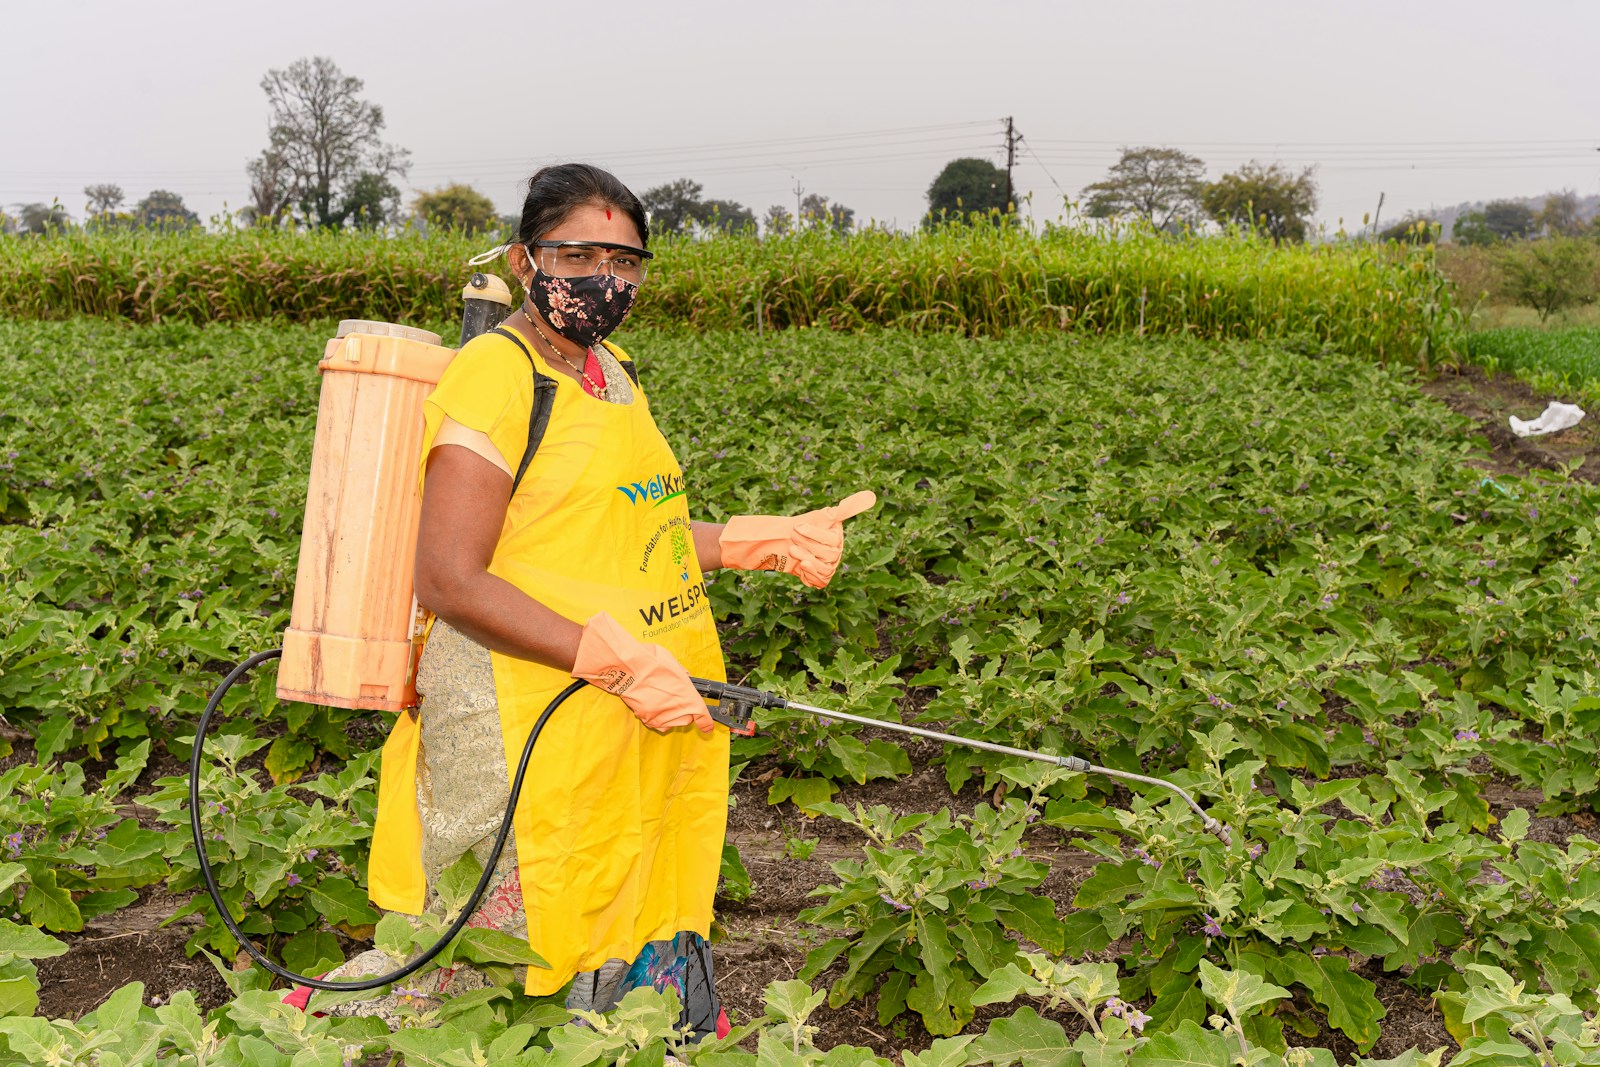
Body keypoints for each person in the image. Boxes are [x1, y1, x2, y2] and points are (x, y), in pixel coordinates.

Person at [314, 163, 873, 1034]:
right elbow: (451, 577)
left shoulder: (612, 371)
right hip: (520, 698)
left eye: (626, 259)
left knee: (620, 887)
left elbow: (612, 535)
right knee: (484, 938)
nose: (604, 278)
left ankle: (602, 1043)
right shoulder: (498, 376)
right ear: (524, 257)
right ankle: (298, 1038)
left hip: (630, 692)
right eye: (577, 253)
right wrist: (602, 659)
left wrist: (747, 541)